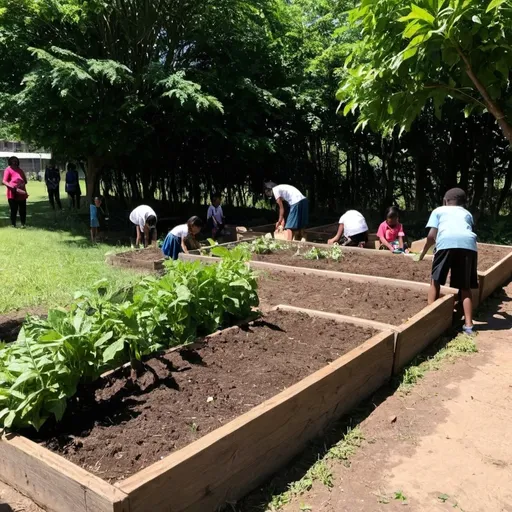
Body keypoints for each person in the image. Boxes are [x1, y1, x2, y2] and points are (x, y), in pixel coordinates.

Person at [418, 188, 478, 335]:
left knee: (435, 280)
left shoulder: (439, 211)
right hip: (468, 246)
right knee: (465, 287)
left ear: (445, 201)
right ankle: (469, 326)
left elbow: (431, 237)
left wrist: (423, 252)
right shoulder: (467, 214)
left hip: (446, 243)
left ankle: (430, 318)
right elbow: (466, 231)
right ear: (463, 203)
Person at [2, 156, 28, 228]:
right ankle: (13, 224)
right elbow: (4, 181)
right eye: (13, 161)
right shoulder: (8, 169)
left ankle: (23, 223)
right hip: (12, 192)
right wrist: (12, 187)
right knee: (14, 209)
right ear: (10, 162)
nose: (15, 162)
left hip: (22, 192)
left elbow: (25, 181)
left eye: (16, 161)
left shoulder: (20, 170)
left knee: (23, 210)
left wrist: (22, 184)